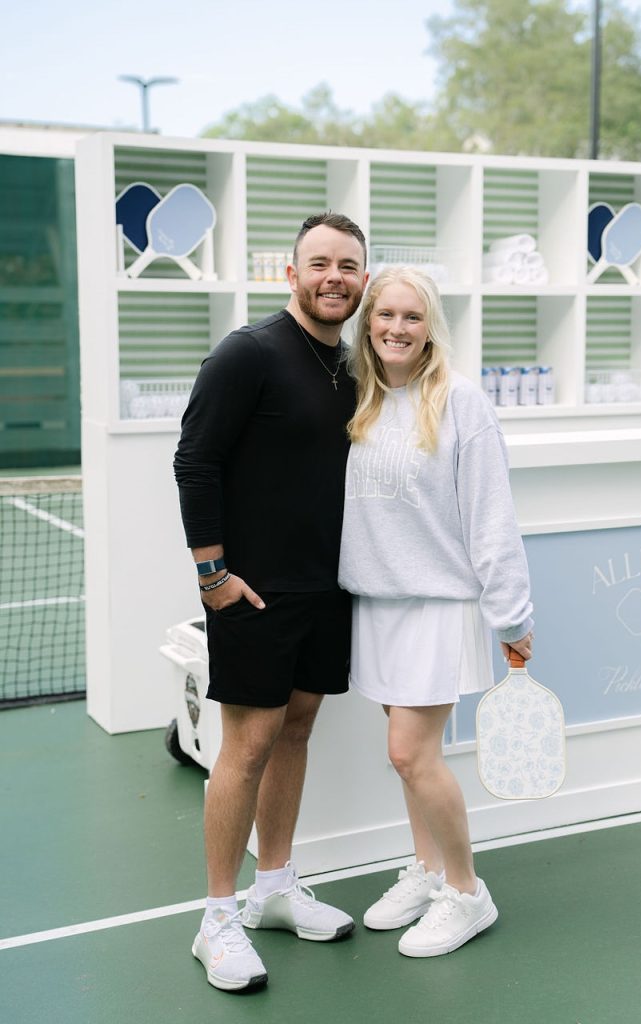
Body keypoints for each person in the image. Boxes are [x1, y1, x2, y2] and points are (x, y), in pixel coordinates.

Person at [173, 212, 369, 992]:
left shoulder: (348, 365)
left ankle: (275, 889)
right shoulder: (247, 354)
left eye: (348, 266)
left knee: (294, 733)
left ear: (361, 277)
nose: (334, 277)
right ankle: (216, 919)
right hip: (253, 594)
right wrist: (212, 575)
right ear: (290, 274)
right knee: (246, 747)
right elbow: (195, 458)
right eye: (319, 262)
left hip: (327, 588)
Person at [338, 266, 534, 958]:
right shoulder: (357, 396)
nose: (396, 327)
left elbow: (491, 518)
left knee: (410, 754)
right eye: (384, 314)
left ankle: (466, 892)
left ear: (431, 327)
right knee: (405, 761)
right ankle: (425, 872)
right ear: (368, 322)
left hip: (438, 606)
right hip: (375, 605)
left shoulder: (462, 402)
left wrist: (511, 618)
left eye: (411, 317)